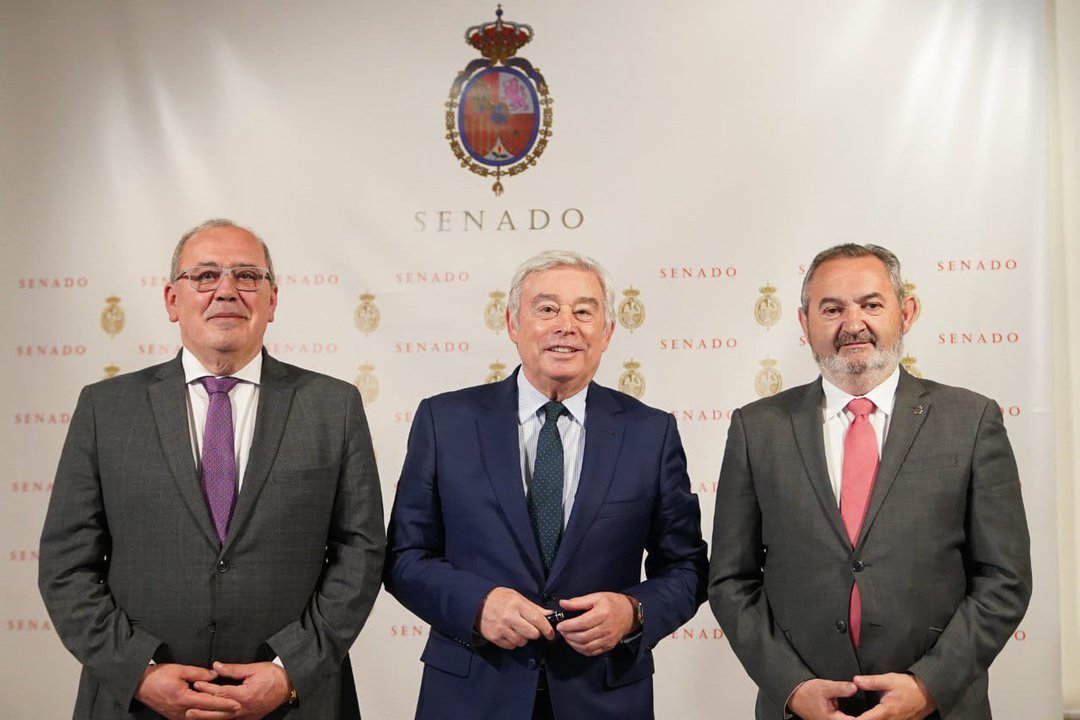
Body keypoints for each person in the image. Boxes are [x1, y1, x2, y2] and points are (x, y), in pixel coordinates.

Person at [39, 219, 385, 719]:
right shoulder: (105, 409)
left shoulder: (334, 406)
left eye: (247, 276)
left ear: (272, 300)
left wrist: (291, 669)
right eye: (205, 276)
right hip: (136, 703)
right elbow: (66, 564)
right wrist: (138, 671)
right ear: (171, 300)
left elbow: (362, 552)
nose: (226, 290)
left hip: (293, 703)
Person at [708, 244, 1032, 719]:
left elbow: (1004, 578)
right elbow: (731, 580)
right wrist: (792, 686)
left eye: (871, 304)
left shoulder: (972, 420)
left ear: (907, 312)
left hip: (938, 708)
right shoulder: (758, 429)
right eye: (832, 308)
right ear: (804, 324)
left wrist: (929, 686)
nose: (853, 323)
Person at [384, 250, 708, 720]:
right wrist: (477, 605)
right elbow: (404, 557)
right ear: (513, 323)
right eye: (547, 308)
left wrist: (633, 612)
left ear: (608, 332)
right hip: (471, 695)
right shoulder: (444, 421)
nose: (566, 325)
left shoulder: (650, 433)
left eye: (584, 311)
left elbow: (687, 568)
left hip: (603, 696)